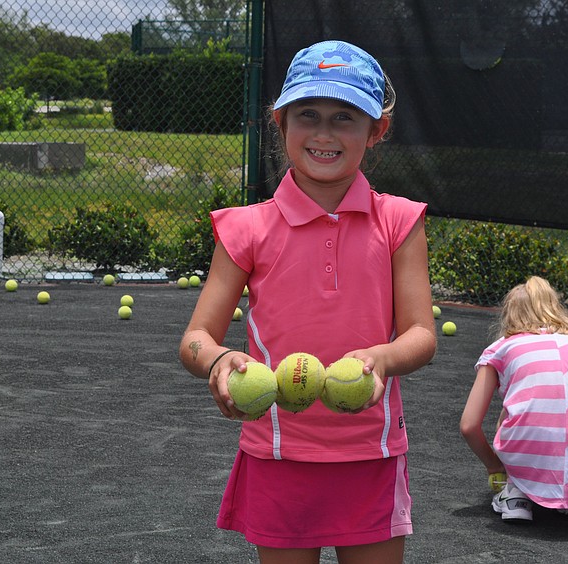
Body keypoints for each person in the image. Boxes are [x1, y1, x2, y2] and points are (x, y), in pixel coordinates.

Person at [179, 40, 437, 563]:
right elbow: (195, 339)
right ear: (280, 122)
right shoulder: (245, 227)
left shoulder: (400, 222)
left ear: (376, 130)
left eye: (345, 117)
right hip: (276, 453)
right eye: (308, 115)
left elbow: (421, 336)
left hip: (371, 453)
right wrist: (221, 361)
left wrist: (381, 358)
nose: (323, 133)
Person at [460, 276, 568, 522]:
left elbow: (469, 425)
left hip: (523, 450)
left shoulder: (500, 349)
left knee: (512, 412)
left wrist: (493, 465)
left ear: (509, 315)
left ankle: (516, 492)